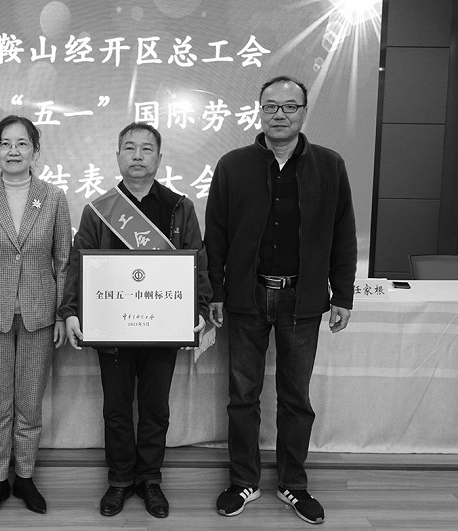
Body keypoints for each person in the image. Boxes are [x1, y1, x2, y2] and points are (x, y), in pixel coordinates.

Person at [205, 75, 357, 525]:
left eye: (290, 107)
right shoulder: (233, 165)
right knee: (242, 396)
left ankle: (293, 483)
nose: (280, 114)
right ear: (259, 111)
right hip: (246, 297)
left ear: (304, 112)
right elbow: (217, 234)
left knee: (295, 397)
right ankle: (243, 481)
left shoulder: (329, 165)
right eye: (271, 106)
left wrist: (343, 294)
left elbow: (343, 234)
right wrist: (216, 291)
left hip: (302, 298)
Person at [60, 122, 211, 519]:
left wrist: (198, 308)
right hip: (111, 327)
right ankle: (120, 479)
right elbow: (78, 263)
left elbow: (197, 260)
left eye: (146, 149)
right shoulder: (99, 210)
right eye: (129, 148)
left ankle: (150, 479)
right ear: (117, 156)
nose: (138, 155)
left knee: (155, 407)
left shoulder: (180, 207)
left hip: (163, 326)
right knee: (116, 407)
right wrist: (71, 311)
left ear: (159, 158)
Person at [0, 115, 72, 519]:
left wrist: (62, 315)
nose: (13, 151)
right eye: (5, 143)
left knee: (29, 403)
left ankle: (24, 476)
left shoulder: (54, 197)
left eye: (22, 143)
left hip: (40, 317)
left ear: (35, 150)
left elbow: (63, 261)